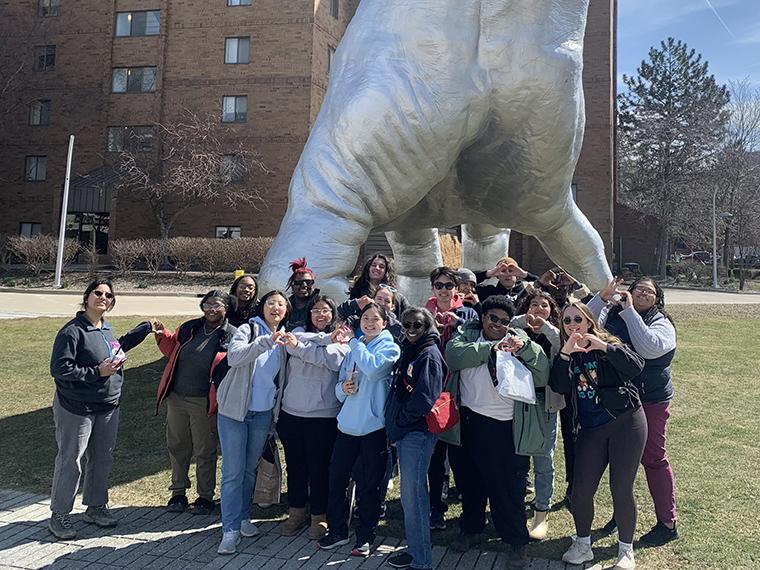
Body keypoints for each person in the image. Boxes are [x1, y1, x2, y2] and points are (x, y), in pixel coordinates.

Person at [445, 295, 550, 570]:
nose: (498, 325)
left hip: (506, 427)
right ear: (483, 317)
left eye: (504, 321)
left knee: (509, 488)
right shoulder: (466, 336)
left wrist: (525, 348)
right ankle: (471, 529)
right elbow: (454, 357)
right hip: (468, 423)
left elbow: (542, 375)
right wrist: (491, 349)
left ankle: (516, 540)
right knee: (469, 482)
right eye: (493, 318)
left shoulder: (520, 339)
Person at [48, 279, 155, 539]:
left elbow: (117, 348)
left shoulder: (106, 329)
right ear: (87, 298)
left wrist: (145, 329)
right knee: (70, 460)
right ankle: (59, 515)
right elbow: (60, 369)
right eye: (98, 293)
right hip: (76, 407)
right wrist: (97, 371)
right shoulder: (72, 331)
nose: (103, 298)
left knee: (102, 458)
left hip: (108, 406)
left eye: (108, 295)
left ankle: (95, 507)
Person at [549, 302, 646, 570]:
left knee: (621, 487)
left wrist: (604, 347)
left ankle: (626, 551)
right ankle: (583, 544)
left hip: (626, 422)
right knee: (581, 490)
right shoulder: (566, 353)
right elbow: (558, 385)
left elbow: (636, 366)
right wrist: (566, 354)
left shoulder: (608, 344)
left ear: (589, 320)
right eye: (567, 321)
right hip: (591, 429)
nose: (572, 325)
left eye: (577, 319)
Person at [589, 277, 679, 545]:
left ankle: (667, 522)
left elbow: (648, 348)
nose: (643, 293)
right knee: (619, 459)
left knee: (653, 458)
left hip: (650, 400)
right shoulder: (613, 313)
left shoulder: (661, 323)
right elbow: (582, 324)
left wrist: (628, 312)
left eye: (650, 291)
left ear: (657, 298)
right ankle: (622, 514)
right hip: (616, 398)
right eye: (639, 288)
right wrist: (602, 298)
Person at [317, 303, 400, 557]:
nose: (370, 322)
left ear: (385, 323)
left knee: (369, 486)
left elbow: (374, 370)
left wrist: (354, 342)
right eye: (366, 318)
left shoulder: (390, 347)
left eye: (376, 319)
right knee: (337, 480)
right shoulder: (356, 346)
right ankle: (338, 531)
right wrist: (344, 389)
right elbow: (339, 386)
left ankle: (365, 536)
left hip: (373, 428)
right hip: (347, 426)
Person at [215, 290, 291, 555]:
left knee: (249, 470)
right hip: (235, 412)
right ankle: (229, 529)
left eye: (281, 304)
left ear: (285, 311)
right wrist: (265, 342)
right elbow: (234, 358)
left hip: (262, 414)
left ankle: (243, 517)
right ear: (263, 307)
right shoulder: (248, 330)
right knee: (233, 473)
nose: (276, 307)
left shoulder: (285, 340)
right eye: (271, 302)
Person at [154, 290, 237, 516]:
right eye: (208, 304)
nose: (212, 309)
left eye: (217, 305)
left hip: (204, 400)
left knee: (204, 450)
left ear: (226, 308)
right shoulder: (189, 328)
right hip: (177, 397)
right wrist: (163, 336)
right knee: (178, 445)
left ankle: (205, 496)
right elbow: (172, 350)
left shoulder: (231, 334)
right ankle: (178, 492)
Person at [275, 295, 350, 539]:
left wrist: (300, 349)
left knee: (319, 468)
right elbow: (293, 342)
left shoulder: (343, 338)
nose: (320, 315)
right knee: (296, 466)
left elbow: (332, 360)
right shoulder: (297, 332)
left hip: (323, 416)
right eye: (316, 310)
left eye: (326, 311)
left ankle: (319, 515)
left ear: (333, 314)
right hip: (291, 413)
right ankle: (296, 511)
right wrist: (313, 342)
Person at [385, 308, 446, 570]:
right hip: (407, 431)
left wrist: (399, 424)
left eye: (418, 325)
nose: (411, 329)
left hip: (417, 433)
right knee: (410, 496)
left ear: (427, 327)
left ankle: (421, 561)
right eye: (407, 324)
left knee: (413, 496)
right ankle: (415, 551)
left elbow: (423, 400)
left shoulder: (428, 354)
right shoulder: (411, 348)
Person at [424, 267, 477, 531]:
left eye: (448, 285)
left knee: (462, 455)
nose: (444, 290)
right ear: (432, 288)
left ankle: (470, 509)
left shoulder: (467, 313)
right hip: (434, 394)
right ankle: (436, 507)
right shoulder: (424, 314)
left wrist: (457, 324)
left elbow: (477, 338)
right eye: (439, 285)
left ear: (457, 288)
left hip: (462, 394)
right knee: (435, 457)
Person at [511, 290, 565, 540]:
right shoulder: (518, 330)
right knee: (517, 454)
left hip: (545, 400)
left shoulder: (555, 332)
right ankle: (515, 504)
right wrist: (526, 320)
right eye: (534, 304)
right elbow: (511, 325)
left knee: (543, 456)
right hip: (518, 398)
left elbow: (561, 345)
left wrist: (545, 326)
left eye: (545, 305)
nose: (539, 309)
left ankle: (542, 510)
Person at [337, 284, 404, 345]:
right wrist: (356, 303)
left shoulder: (397, 327)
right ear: (373, 300)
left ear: (392, 306)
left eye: (387, 301)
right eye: (379, 299)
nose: (382, 303)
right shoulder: (356, 321)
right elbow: (336, 316)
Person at [348, 253, 410, 318]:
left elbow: (410, 315)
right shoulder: (357, 291)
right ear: (368, 268)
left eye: (381, 267)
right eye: (374, 265)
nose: (377, 268)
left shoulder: (398, 298)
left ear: (386, 271)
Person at [286, 258, 320, 330]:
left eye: (308, 282)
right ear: (292, 286)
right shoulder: (285, 306)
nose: (304, 285)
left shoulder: (321, 304)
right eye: (299, 282)